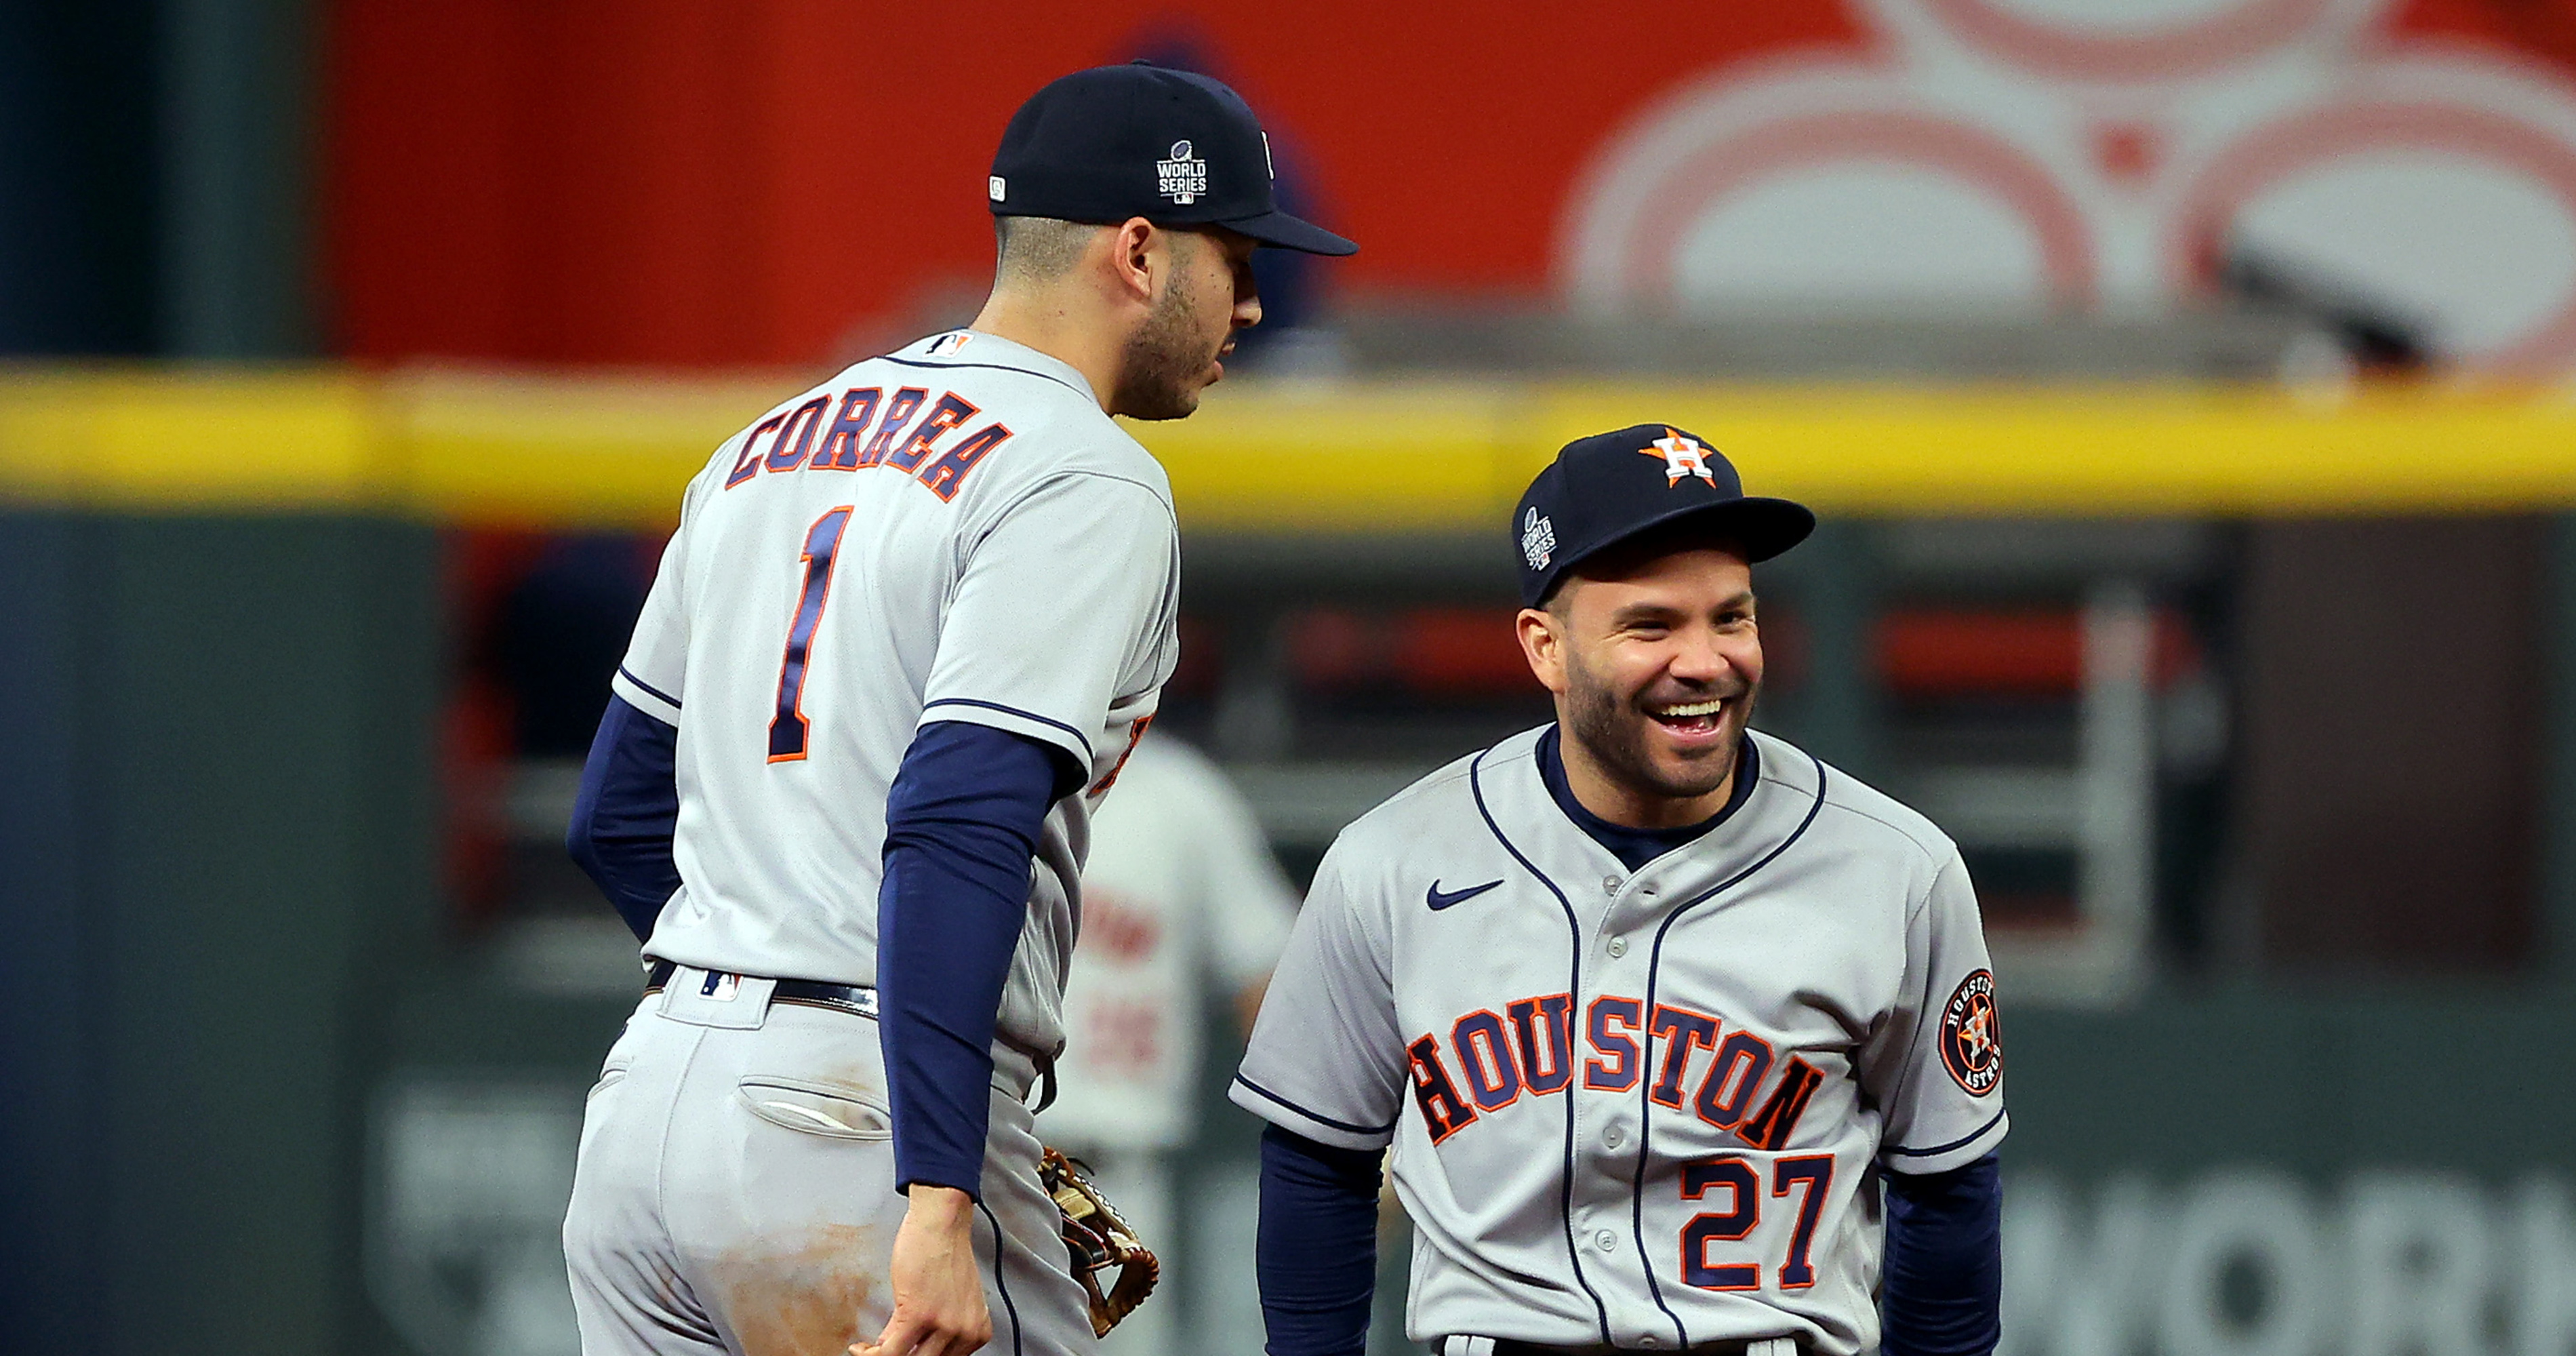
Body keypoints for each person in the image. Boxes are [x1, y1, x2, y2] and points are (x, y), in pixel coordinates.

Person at [558, 61, 1354, 1356]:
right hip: (866, 1122)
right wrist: (933, 1182)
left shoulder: (767, 441)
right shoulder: (1083, 472)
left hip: (648, 1112)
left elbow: (615, 815)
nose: (1257, 302)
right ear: (1141, 252)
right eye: (1238, 258)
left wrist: (751, 989)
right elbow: (959, 815)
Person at [1231, 425, 2006, 1356]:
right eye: (1652, 624)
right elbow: (1320, 1165)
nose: (1707, 661)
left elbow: (1948, 1198)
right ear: (1545, 648)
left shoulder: (1897, 869)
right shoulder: (1391, 863)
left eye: (1732, 616)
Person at [1039, 733, 1302, 1356]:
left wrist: (1345, 1148)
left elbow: (1272, 986)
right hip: (965, 1167)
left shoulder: (1179, 794)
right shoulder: (964, 765)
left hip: (1115, 1186)